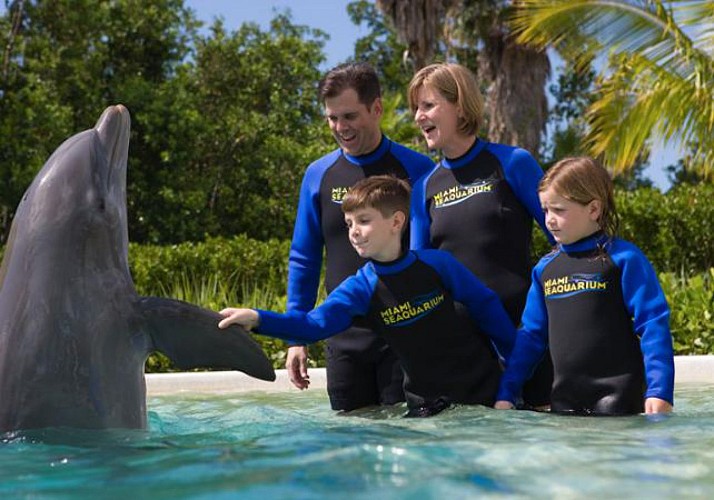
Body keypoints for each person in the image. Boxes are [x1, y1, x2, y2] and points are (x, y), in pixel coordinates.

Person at [219, 175, 516, 417]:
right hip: (428, 409)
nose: (354, 232)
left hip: (485, 395)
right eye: (349, 224)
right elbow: (312, 326)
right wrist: (258, 319)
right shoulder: (359, 289)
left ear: (396, 222)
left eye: (363, 220)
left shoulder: (438, 265)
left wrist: (512, 382)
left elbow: (487, 309)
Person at [285, 63, 434, 411]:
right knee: (348, 449)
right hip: (345, 340)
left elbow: (434, 255)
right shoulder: (318, 174)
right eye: (332, 118)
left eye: (349, 116)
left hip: (406, 338)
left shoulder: (418, 170)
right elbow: (304, 258)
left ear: (377, 108)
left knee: (410, 445)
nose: (340, 127)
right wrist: (296, 336)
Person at [407, 62, 553, 407]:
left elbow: (562, 238)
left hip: (523, 334)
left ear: (460, 106)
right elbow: (418, 276)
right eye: (416, 107)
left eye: (427, 105)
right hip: (464, 349)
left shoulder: (513, 163)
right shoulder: (424, 187)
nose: (418, 116)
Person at [494, 157, 674, 415]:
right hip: (565, 398)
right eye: (545, 210)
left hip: (618, 395)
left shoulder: (623, 259)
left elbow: (653, 323)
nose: (549, 220)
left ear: (593, 209)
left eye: (559, 210)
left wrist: (660, 391)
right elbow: (531, 337)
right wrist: (507, 392)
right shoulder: (545, 269)